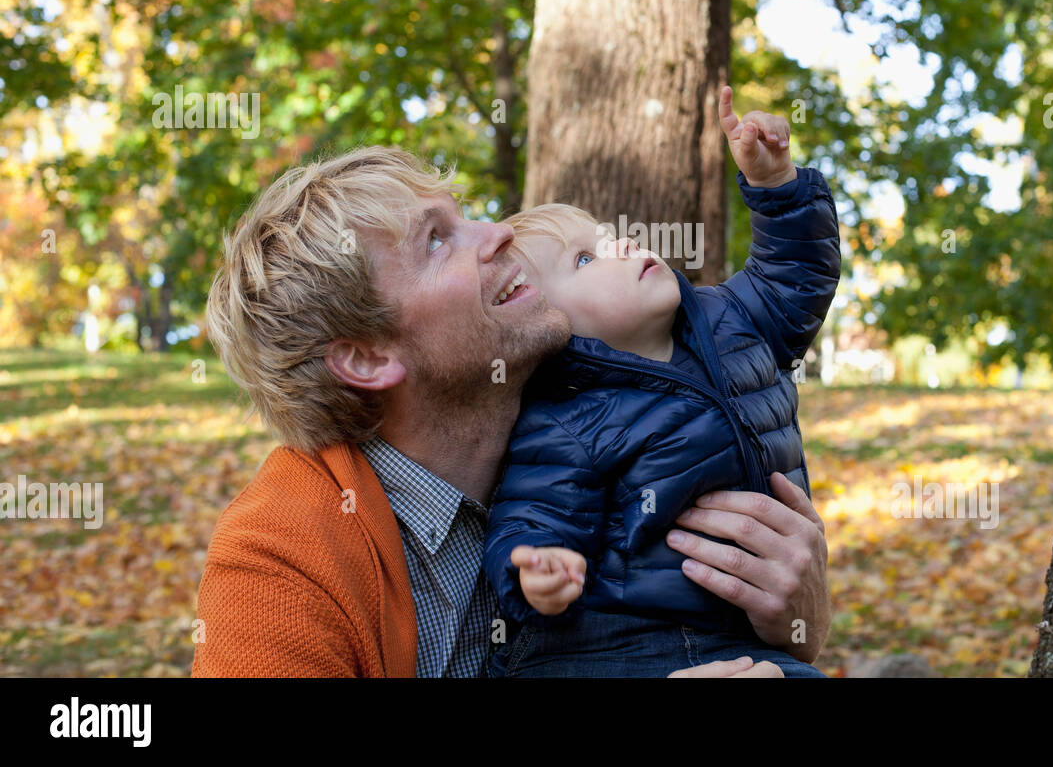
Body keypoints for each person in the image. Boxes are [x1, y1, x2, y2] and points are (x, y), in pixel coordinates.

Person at [193, 139, 830, 677]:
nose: (498, 234)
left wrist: (796, 623)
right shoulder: (278, 561)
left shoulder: (601, 424)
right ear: (366, 358)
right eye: (437, 241)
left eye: (463, 215)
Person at [483, 87, 839, 677]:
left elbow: (795, 276)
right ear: (550, 325)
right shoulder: (569, 414)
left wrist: (777, 186)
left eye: (604, 236)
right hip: (620, 646)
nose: (619, 243)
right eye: (584, 260)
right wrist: (538, 570)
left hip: (743, 629)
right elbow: (533, 511)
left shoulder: (730, 318)